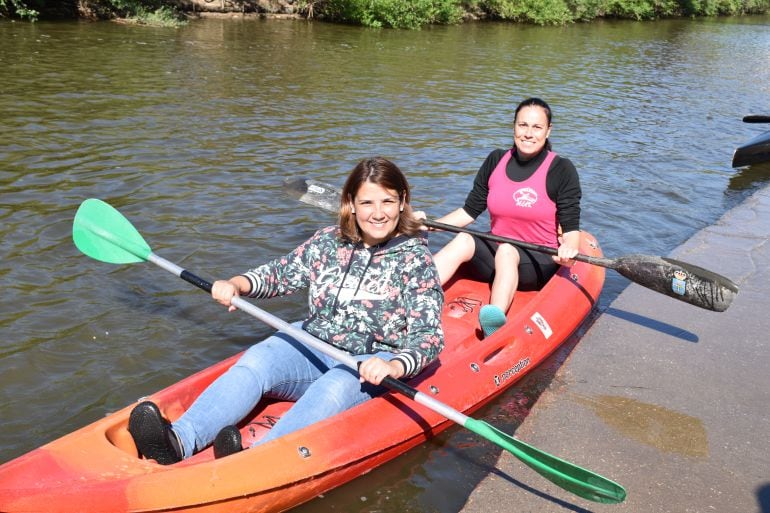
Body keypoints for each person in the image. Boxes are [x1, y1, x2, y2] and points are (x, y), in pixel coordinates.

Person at [128, 157, 445, 464]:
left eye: (387, 202)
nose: (378, 213)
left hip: (371, 361)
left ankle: (257, 460)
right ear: (350, 203)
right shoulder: (328, 242)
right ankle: (179, 440)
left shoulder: (415, 260)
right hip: (314, 342)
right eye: (367, 203)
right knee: (258, 359)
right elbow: (278, 274)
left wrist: (395, 367)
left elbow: (429, 338)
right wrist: (237, 284)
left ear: (402, 202)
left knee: (334, 386)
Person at [423, 98, 580, 338]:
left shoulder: (561, 169)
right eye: (522, 125)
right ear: (514, 127)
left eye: (536, 127)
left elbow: (570, 229)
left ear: (548, 131)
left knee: (507, 250)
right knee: (465, 239)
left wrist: (570, 250)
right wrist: (428, 226)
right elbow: (469, 212)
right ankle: (413, 291)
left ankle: (493, 320)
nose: (528, 133)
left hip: (539, 259)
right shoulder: (496, 159)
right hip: (497, 252)